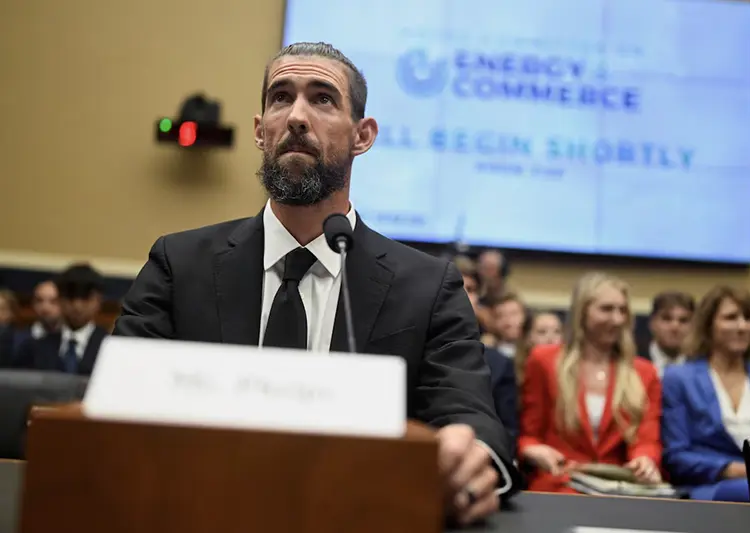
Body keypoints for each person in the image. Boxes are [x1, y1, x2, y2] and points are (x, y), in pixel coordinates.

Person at [112, 42, 517, 525]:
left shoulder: (426, 286)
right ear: (261, 131)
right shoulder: (180, 264)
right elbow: (115, 404)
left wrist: (465, 456)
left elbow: (469, 416)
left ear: (363, 136)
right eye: (281, 97)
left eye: (322, 98)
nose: (297, 117)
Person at [518, 272, 662, 493]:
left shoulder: (644, 372)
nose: (617, 319)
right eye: (606, 309)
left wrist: (645, 459)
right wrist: (534, 450)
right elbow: (529, 434)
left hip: (620, 487)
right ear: (582, 312)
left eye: (622, 310)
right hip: (561, 482)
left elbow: (647, 438)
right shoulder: (544, 362)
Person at [661, 286, 750, 502]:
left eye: (748, 318)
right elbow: (676, 456)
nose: (742, 326)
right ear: (708, 325)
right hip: (708, 488)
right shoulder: (679, 378)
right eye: (731, 317)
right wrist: (734, 470)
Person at [454, 255, 519, 449]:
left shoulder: (499, 363)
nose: (464, 295)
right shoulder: (411, 348)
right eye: (455, 286)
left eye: (471, 289)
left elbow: (508, 432)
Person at [15, 264, 107, 375]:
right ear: (60, 299)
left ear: (99, 300)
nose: (77, 305)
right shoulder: (35, 347)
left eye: (85, 297)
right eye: (70, 296)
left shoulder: (110, 347)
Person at [638, 291, 694, 377]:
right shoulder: (633, 361)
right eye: (666, 319)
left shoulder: (702, 365)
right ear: (652, 323)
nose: (675, 327)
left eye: (683, 320)